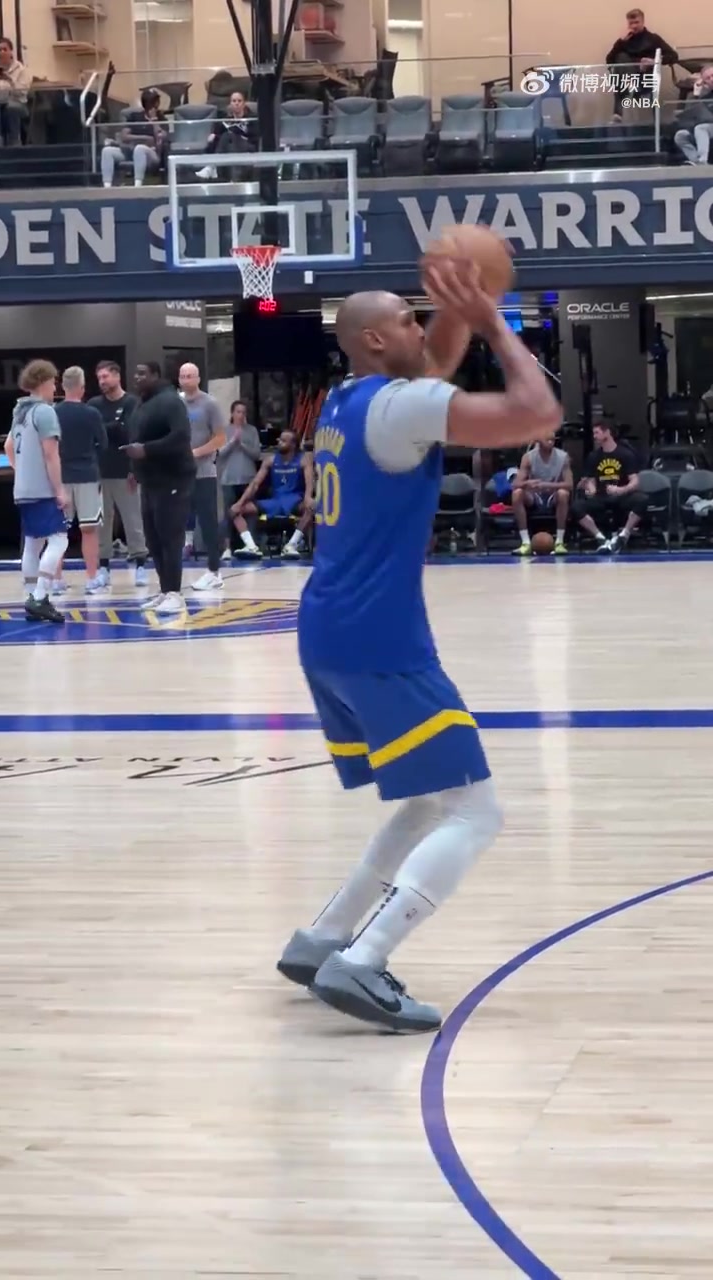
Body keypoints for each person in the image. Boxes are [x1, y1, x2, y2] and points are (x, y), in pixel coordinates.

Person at [276, 263, 561, 1033]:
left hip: (329, 628)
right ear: (375, 339)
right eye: (408, 318)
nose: (420, 327)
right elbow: (537, 412)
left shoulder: (348, 400)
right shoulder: (402, 407)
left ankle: (324, 937)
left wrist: (458, 309)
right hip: (380, 637)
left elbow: (429, 366)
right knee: (477, 811)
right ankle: (363, 961)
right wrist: (495, 323)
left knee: (430, 800)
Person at [121, 362, 195, 616]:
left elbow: (181, 437)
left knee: (170, 537)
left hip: (173, 478)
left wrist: (147, 450)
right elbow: (136, 439)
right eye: (136, 373)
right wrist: (134, 469)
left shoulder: (171, 401)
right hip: (150, 480)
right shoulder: (142, 403)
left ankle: (175, 593)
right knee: (153, 539)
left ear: (156, 375)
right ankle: (165, 591)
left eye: (143, 373)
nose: (137, 377)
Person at [3, 360, 69, 625]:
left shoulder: (19, 411)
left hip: (23, 488)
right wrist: (60, 489)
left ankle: (31, 595)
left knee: (32, 543)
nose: (55, 387)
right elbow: (51, 454)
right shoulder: (44, 412)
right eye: (53, 382)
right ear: (43, 382)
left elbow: (9, 446)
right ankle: (40, 597)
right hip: (42, 489)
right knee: (59, 540)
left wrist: (21, 470)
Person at [89, 361, 147, 588]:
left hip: (126, 471)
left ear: (117, 376)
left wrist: (108, 429)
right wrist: (113, 426)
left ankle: (140, 564)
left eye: (105, 376)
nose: (102, 381)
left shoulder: (132, 402)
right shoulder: (94, 404)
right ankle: (103, 567)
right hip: (100, 471)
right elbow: (96, 436)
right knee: (102, 523)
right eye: (99, 378)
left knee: (133, 521)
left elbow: (130, 434)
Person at [53, 366, 107, 595]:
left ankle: (56, 580)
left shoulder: (53, 412)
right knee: (89, 529)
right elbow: (103, 444)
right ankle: (91, 578)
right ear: (82, 387)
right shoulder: (92, 413)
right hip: (87, 475)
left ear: (62, 386)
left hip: (61, 477)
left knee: (58, 531)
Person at [178, 362, 227, 590]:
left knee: (207, 522)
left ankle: (214, 571)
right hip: (179, 473)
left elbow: (220, 438)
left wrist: (195, 453)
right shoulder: (175, 404)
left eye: (190, 375)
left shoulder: (210, 404)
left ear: (198, 378)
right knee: (177, 520)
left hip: (204, 472)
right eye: (183, 376)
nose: (186, 379)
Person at [232, 428, 314, 560]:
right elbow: (255, 484)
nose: (279, 442)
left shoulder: (303, 460)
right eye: (280, 439)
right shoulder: (270, 460)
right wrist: (240, 502)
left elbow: (309, 482)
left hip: (294, 500)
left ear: (293, 445)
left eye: (283, 440)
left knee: (311, 508)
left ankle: (291, 545)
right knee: (235, 510)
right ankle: (251, 546)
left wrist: (308, 497)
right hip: (275, 502)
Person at [572, 422, 647, 553]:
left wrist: (622, 490)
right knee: (576, 507)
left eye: (597, 433)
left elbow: (635, 481)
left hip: (621, 496)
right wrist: (590, 489)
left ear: (607, 432)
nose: (594, 436)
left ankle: (623, 535)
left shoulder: (625, 454)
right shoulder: (593, 456)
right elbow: (590, 480)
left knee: (642, 500)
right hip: (601, 496)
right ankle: (600, 538)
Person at [606, 9, 677, 120]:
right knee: (620, 57)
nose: (634, 26)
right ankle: (630, 88)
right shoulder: (624, 41)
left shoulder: (653, 39)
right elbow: (609, 60)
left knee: (621, 77)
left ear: (643, 22)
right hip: (626, 79)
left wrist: (653, 61)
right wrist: (620, 42)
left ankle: (618, 113)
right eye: (631, 23)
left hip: (645, 79)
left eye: (636, 22)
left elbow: (673, 56)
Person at [511, 437, 573, 556]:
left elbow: (569, 484)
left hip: (553, 495)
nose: (551, 442)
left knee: (563, 493)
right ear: (539, 440)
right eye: (547, 439)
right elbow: (515, 484)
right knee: (517, 493)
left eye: (552, 440)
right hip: (534, 495)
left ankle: (559, 542)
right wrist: (527, 483)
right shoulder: (528, 457)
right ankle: (525, 542)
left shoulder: (563, 457)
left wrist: (547, 485)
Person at [218, 400, 261, 558]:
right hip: (229, 478)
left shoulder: (252, 431)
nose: (241, 415)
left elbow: (256, 454)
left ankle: (250, 545)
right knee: (229, 513)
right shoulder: (224, 430)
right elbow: (219, 453)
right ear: (232, 413)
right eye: (238, 412)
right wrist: (232, 442)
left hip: (248, 478)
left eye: (243, 412)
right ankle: (227, 548)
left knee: (250, 511)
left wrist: (242, 444)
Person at [101, 88, 168, 189]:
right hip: (131, 151)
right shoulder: (135, 117)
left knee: (139, 148)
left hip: (152, 154)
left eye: (155, 101)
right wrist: (145, 138)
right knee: (107, 151)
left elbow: (160, 139)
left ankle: (137, 186)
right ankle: (107, 187)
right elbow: (124, 136)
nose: (154, 104)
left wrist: (154, 121)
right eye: (151, 101)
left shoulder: (162, 118)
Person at [196, 92, 257, 181]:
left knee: (228, 136)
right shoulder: (226, 119)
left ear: (244, 104)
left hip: (247, 146)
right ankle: (228, 175)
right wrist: (213, 135)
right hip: (230, 147)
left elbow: (256, 137)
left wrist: (242, 135)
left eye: (239, 101)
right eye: (234, 101)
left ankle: (212, 167)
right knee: (226, 137)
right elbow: (217, 133)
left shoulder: (251, 118)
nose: (237, 103)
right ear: (230, 104)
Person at [0, 37, 32, 147]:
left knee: (11, 108)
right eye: (0, 50)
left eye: (5, 49)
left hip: (17, 102)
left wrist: (10, 80)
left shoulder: (21, 70)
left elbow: (22, 92)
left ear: (11, 51)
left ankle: (14, 143)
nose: (2, 52)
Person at [674, 66, 713, 165]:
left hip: (706, 127)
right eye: (708, 78)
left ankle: (702, 160)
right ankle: (696, 161)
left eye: (712, 75)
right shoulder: (705, 96)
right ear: (705, 83)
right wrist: (696, 94)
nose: (711, 79)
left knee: (701, 128)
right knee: (680, 135)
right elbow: (694, 113)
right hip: (707, 125)